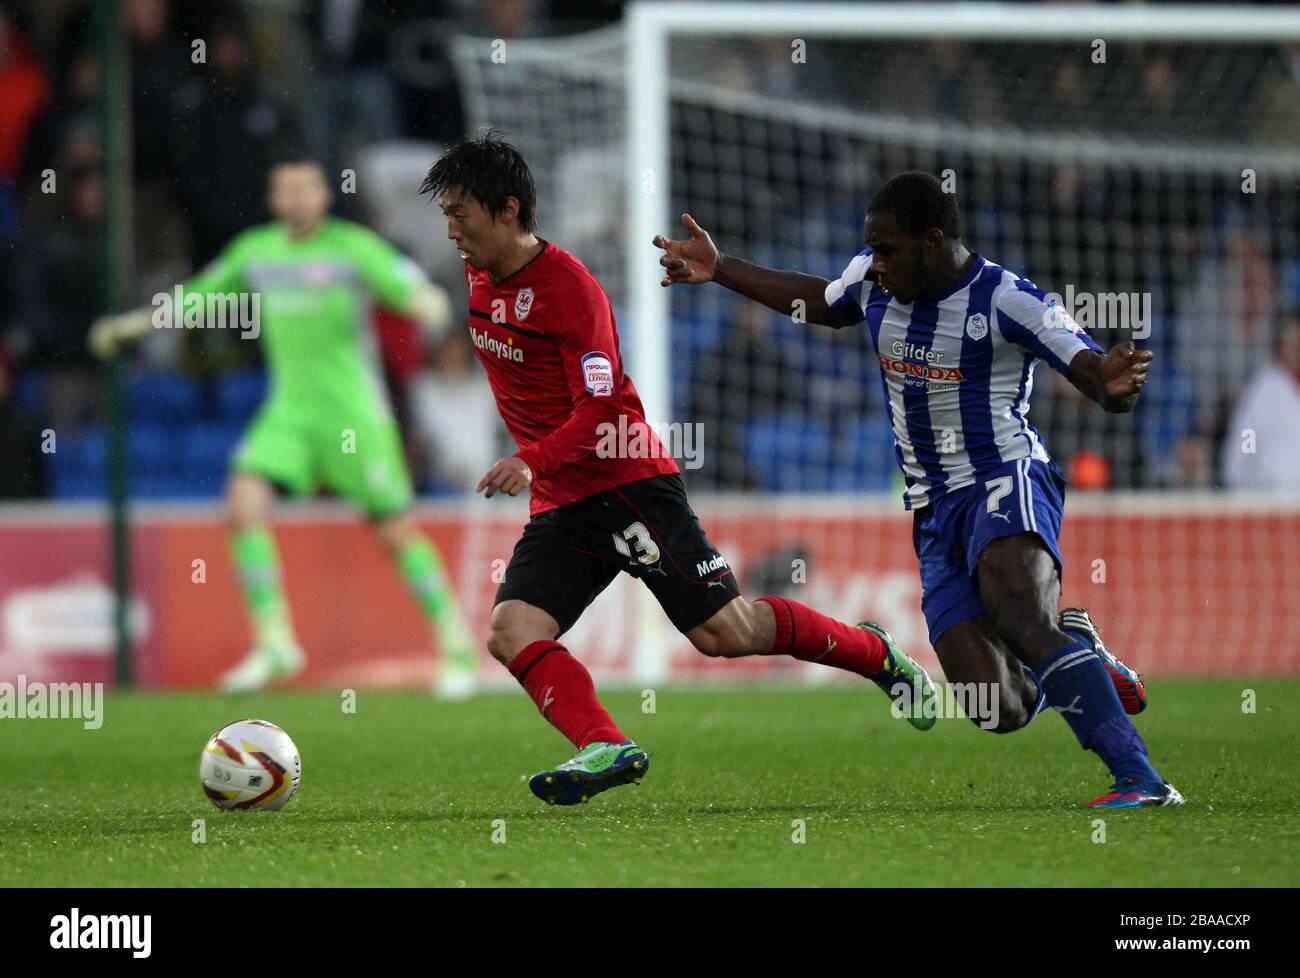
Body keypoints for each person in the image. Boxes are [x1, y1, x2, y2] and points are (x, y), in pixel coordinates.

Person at [420, 133, 938, 807]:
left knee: (728, 633)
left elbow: (602, 407)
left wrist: (530, 457)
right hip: (562, 501)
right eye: (447, 214)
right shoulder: (477, 274)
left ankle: (874, 654)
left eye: (461, 212)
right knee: (511, 630)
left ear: (509, 210)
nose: (450, 228)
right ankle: (606, 745)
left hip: (627, 482)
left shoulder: (569, 290)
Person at [655, 171, 1181, 810]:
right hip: (933, 507)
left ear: (932, 241)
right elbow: (822, 301)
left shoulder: (1006, 299)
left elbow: (1092, 370)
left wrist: (1114, 386)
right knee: (997, 707)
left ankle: (1138, 777)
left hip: (1003, 477)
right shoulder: (874, 284)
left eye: (888, 250)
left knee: (1019, 612)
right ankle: (1083, 652)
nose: (876, 263)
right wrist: (722, 269)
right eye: (871, 250)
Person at [89, 158, 479, 697]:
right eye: (285, 190)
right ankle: (275, 643)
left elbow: (409, 286)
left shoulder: (352, 246)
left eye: (305, 188)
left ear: (323, 195)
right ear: (275, 199)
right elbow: (197, 299)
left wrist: (429, 303)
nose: (296, 198)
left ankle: (456, 648)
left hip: (353, 413)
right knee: (242, 503)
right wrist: (133, 325)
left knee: (394, 532)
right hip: (290, 412)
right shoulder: (257, 250)